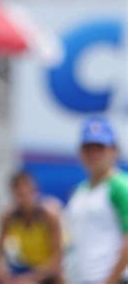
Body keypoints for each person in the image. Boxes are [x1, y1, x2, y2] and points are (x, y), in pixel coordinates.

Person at [0, 171, 63, 284]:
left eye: (27, 193)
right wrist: (2, 274)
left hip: (43, 270)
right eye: (20, 194)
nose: (24, 198)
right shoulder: (9, 216)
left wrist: (30, 278)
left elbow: (56, 260)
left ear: (34, 191)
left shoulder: (49, 216)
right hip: (23, 266)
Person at [64, 116, 128, 284]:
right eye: (88, 148)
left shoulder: (120, 186)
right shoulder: (79, 191)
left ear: (113, 150)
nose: (93, 154)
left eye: (99, 148)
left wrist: (111, 280)